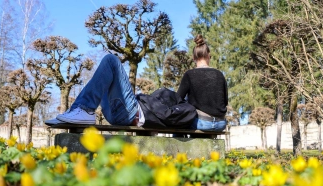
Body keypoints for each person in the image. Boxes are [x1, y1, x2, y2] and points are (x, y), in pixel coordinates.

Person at [45, 34, 227, 131]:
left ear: (194, 57)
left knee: (111, 60)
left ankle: (84, 109)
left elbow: (179, 100)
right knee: (107, 75)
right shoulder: (219, 74)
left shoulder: (188, 81)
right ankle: (79, 110)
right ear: (208, 55)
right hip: (219, 122)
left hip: (134, 113)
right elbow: (224, 103)